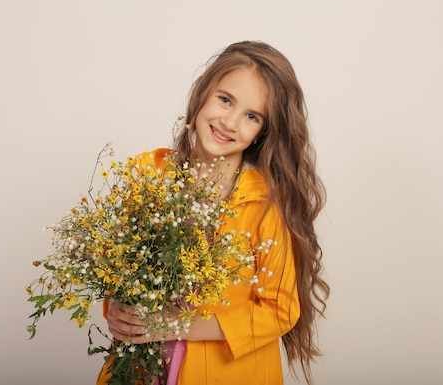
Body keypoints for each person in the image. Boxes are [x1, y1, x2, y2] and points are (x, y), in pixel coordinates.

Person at [96, 41, 330, 385]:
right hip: (141, 368)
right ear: (203, 92)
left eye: (252, 116)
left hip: (227, 373)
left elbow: (280, 311)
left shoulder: (264, 204)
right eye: (225, 100)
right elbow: (119, 268)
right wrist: (116, 308)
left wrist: (174, 324)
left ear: (262, 132)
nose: (230, 122)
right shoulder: (149, 173)